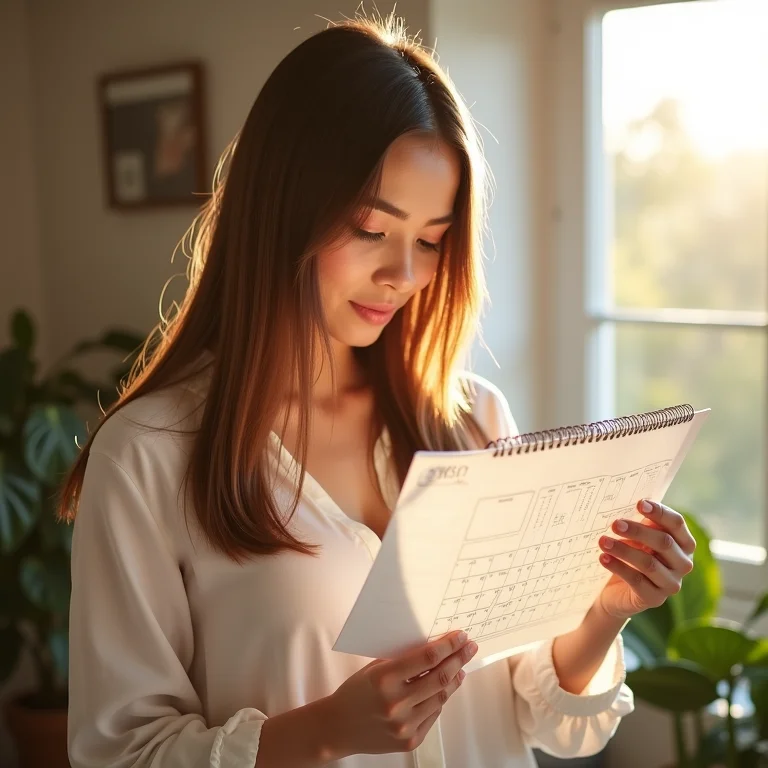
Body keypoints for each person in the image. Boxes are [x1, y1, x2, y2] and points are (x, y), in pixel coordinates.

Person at [61, 13, 696, 768]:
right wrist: (322, 732)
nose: (405, 274)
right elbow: (118, 752)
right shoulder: (150, 456)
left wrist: (604, 615)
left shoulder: (473, 418)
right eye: (371, 228)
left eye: (431, 239)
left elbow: (552, 720)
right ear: (284, 207)